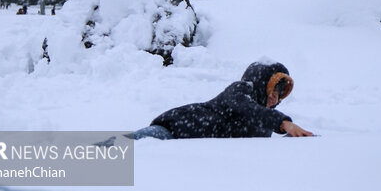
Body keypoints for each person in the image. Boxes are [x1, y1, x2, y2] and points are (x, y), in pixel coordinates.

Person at [130, 61, 313, 140]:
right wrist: (284, 123)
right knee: (107, 158)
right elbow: (246, 108)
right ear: (262, 82)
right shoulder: (241, 90)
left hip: (177, 153)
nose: (276, 96)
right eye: (274, 87)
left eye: (282, 91)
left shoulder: (263, 124)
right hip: (169, 131)